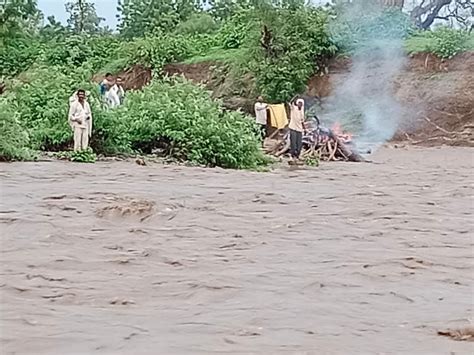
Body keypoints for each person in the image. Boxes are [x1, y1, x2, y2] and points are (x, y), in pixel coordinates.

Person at [289, 97, 305, 162]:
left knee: (299, 144)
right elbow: (290, 103)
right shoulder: (293, 109)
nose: (300, 105)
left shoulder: (302, 111)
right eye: (299, 103)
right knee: (293, 143)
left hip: (299, 129)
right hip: (293, 128)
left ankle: (297, 156)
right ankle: (292, 156)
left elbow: (302, 121)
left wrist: (305, 129)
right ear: (297, 103)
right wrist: (295, 97)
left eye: (301, 104)